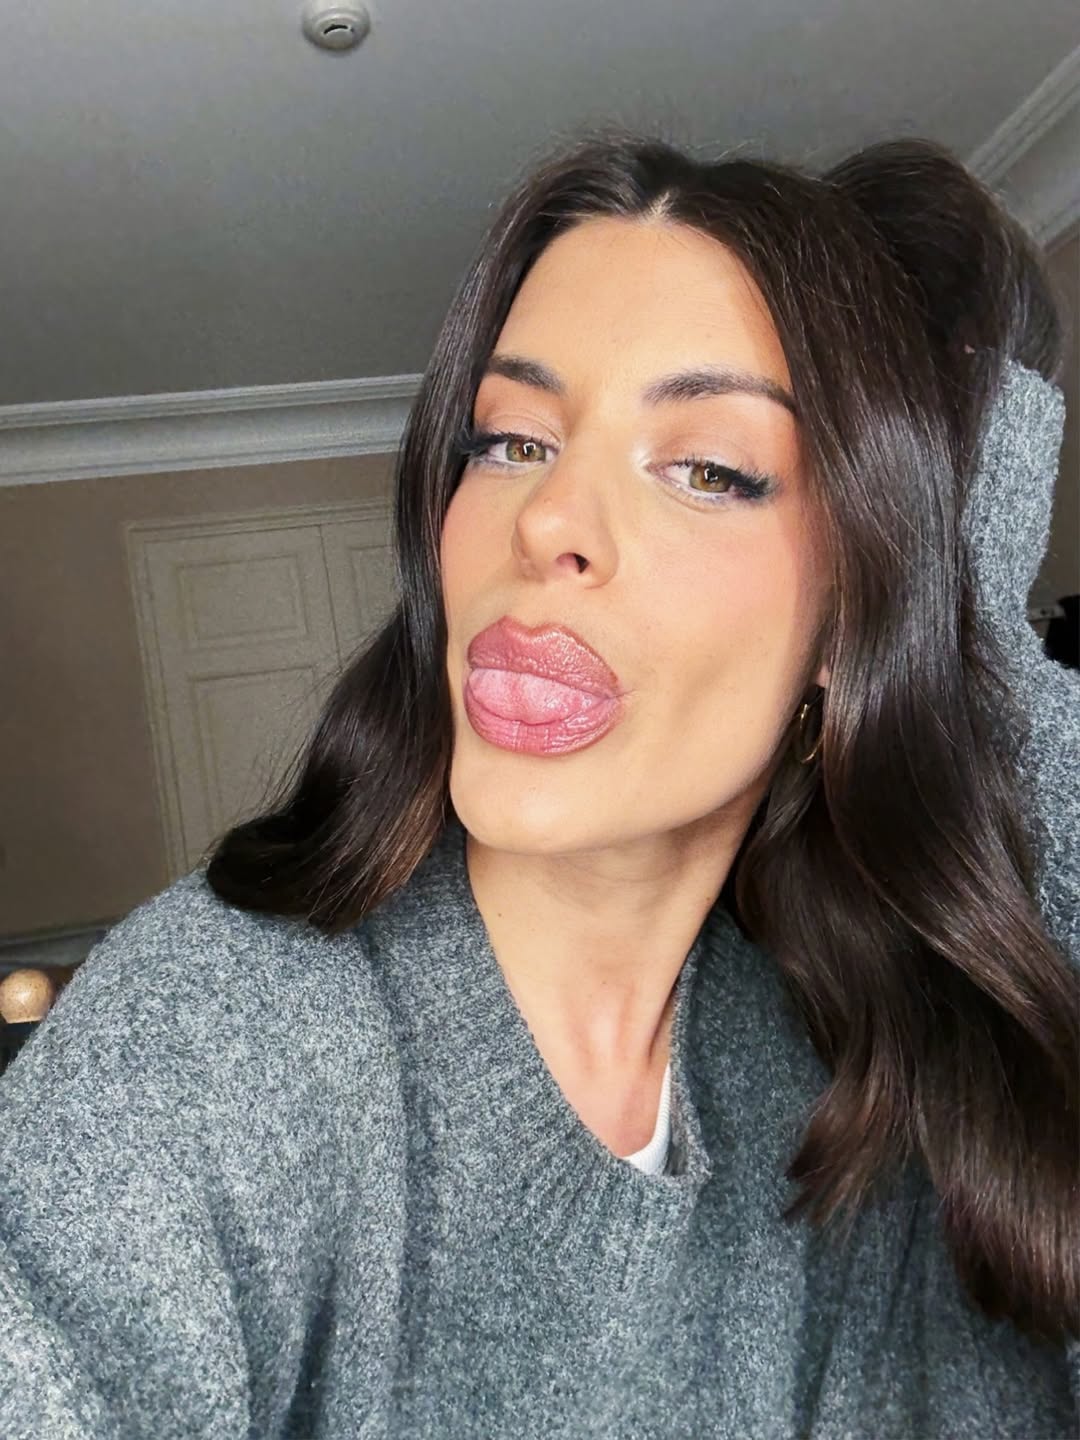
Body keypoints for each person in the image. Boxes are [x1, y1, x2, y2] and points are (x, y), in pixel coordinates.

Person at [1, 126, 1077, 1439]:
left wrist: (959, 590)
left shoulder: (833, 1061)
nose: (548, 519)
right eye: (512, 439)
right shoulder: (226, 1029)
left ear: (860, 619)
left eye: (708, 468)